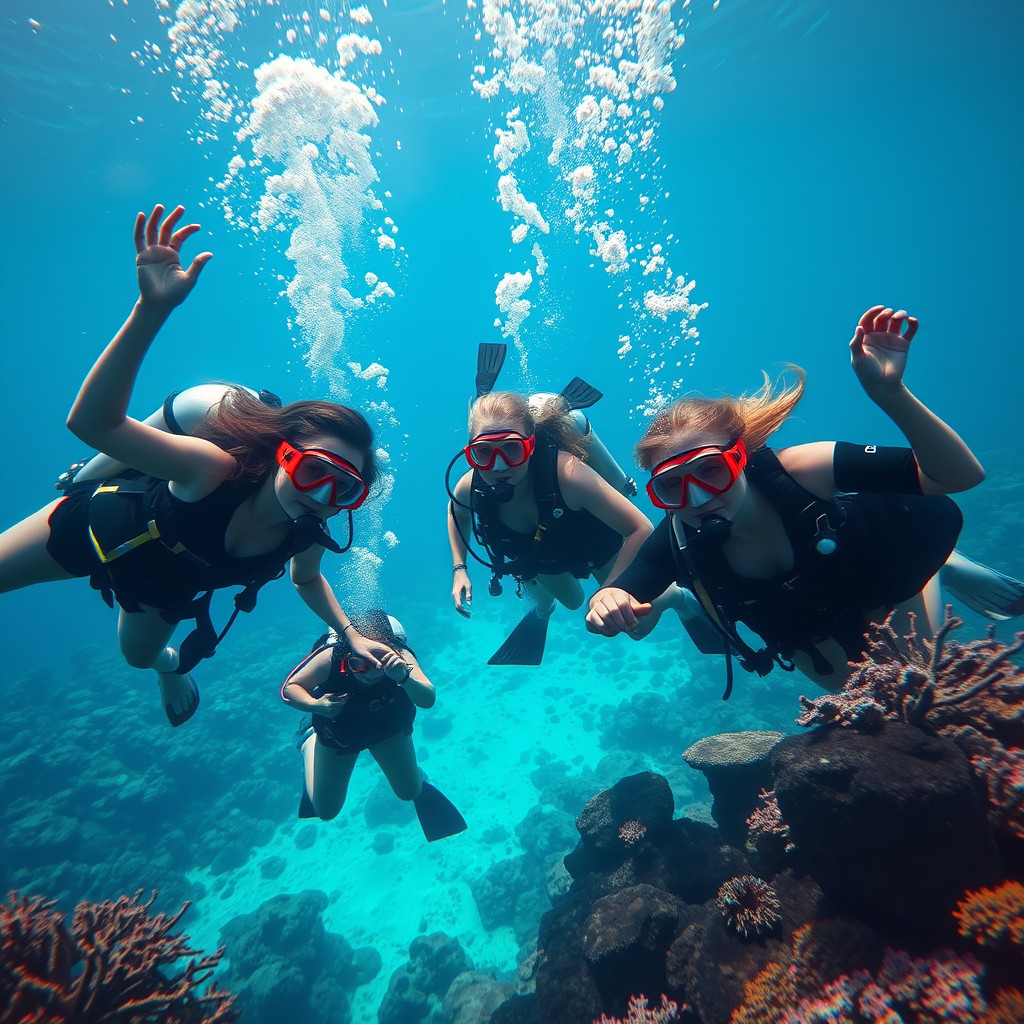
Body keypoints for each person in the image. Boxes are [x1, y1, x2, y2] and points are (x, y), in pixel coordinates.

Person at [0, 204, 393, 727]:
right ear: (282, 451)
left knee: (140, 658)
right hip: (89, 528)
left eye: (345, 490)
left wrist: (350, 635)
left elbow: (306, 581)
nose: (322, 496)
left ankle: (170, 670)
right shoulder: (213, 468)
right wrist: (151, 310)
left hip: (161, 590)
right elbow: (94, 425)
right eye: (313, 469)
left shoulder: (305, 530)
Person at [586, 305, 1024, 695]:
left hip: (882, 584)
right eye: (670, 486)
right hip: (807, 631)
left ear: (742, 458)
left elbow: (961, 476)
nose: (696, 496)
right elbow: (624, 588)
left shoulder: (802, 470)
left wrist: (891, 395)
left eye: (711, 469)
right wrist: (603, 602)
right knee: (872, 711)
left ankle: (941, 565)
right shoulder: (679, 537)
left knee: (920, 685)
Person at [447, 344, 724, 665]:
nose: (497, 466)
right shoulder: (470, 484)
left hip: (596, 548)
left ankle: (676, 597)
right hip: (540, 557)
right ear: (471, 453)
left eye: (511, 449)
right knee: (572, 601)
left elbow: (640, 527)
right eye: (483, 453)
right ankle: (542, 604)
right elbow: (457, 513)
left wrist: (612, 592)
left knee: (636, 628)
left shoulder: (566, 473)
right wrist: (459, 569)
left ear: (531, 445)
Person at [281, 609, 466, 842]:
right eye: (359, 665)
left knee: (409, 792)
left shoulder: (399, 656)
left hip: (386, 727)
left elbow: (428, 699)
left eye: (379, 665)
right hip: (339, 731)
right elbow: (291, 687)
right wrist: (315, 705)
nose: (369, 673)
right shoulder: (332, 656)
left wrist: (404, 677)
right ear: (348, 655)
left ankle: (417, 777)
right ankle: (309, 740)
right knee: (326, 811)